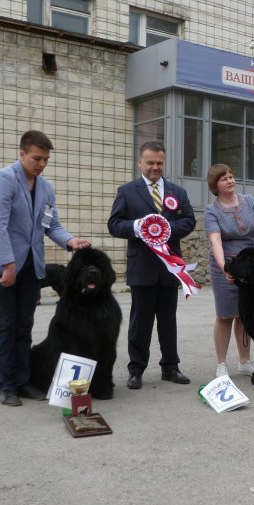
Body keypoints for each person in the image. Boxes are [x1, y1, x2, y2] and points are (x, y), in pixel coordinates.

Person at [0, 130, 90, 407]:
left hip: (31, 266)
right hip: (3, 265)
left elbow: (51, 225)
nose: (41, 164)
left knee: (25, 324)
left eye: (45, 160)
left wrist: (70, 240)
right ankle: (5, 386)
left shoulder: (45, 187)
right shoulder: (4, 181)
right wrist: (7, 265)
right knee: (6, 325)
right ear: (22, 154)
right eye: (36, 158)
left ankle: (22, 380)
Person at [108, 141, 196, 390]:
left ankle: (170, 367)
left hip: (170, 268)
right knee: (140, 322)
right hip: (142, 268)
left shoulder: (177, 192)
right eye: (150, 162)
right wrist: (139, 227)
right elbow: (114, 224)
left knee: (168, 321)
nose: (155, 167)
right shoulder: (127, 191)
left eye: (159, 163)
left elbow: (189, 220)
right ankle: (136, 370)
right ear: (140, 163)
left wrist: (167, 230)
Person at [204, 164, 254, 377]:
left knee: (245, 315)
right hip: (226, 267)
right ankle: (221, 364)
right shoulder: (211, 210)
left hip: (251, 269)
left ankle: (245, 361)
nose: (230, 180)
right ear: (215, 185)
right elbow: (215, 240)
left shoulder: (250, 201)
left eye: (231, 176)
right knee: (225, 315)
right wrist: (223, 264)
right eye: (224, 178)